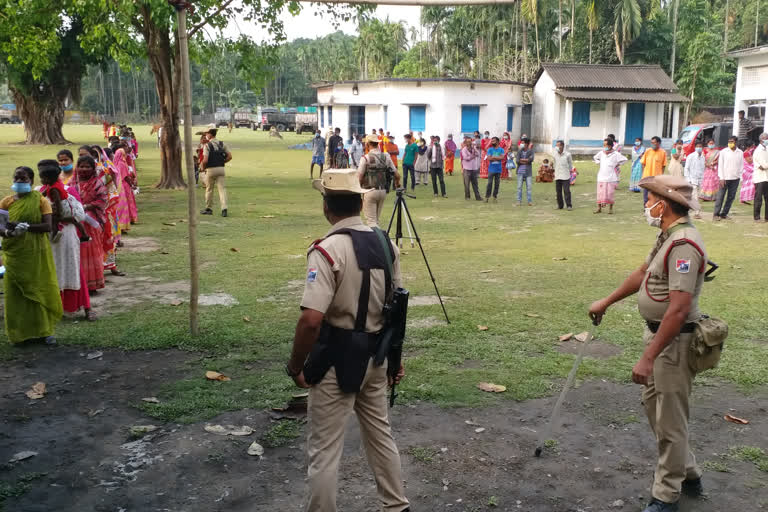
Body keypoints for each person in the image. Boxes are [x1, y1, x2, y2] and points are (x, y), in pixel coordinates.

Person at [289, 169, 409, 512]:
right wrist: (394, 361)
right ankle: (396, 506)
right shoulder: (387, 245)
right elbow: (397, 308)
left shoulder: (327, 251)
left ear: (327, 207)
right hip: (375, 357)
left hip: (335, 360)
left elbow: (311, 319)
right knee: (380, 437)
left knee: (325, 451)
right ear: (360, 202)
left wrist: (296, 366)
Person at [589, 175, 708, 512]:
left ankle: (666, 495)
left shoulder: (684, 244)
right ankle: (689, 472)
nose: (646, 205)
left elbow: (680, 308)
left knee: (669, 418)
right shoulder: (667, 237)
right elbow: (643, 273)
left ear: (664, 204)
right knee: (656, 412)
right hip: (659, 338)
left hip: (674, 343)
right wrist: (607, 301)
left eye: (650, 198)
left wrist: (647, 357)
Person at [0, 166, 63, 345]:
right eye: (17, 178)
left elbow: (47, 227)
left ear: (31, 181)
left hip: (36, 253)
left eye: (24, 179)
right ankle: (19, 334)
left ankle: (45, 331)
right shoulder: (6, 202)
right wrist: (10, 233)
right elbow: (1, 227)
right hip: (14, 254)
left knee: (39, 288)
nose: (20, 182)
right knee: (16, 293)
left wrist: (25, 226)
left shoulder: (40, 201)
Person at [38, 161, 95, 322]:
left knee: (73, 268)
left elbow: (77, 214)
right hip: (49, 235)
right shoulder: (39, 191)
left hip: (66, 234)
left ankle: (86, 306)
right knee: (51, 270)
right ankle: (52, 306)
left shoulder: (66, 190)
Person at [76, 156, 108, 293]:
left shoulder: (97, 183)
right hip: (75, 222)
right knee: (78, 253)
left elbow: (102, 200)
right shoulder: (73, 182)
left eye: (87, 166)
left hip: (91, 222)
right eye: (81, 166)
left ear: (93, 168)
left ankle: (93, 285)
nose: (83, 169)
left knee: (91, 252)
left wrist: (86, 207)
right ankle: (79, 283)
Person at [358, 136, 400, 228]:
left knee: (371, 222)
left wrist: (359, 192)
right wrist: (397, 184)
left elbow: (360, 178)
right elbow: (397, 175)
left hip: (369, 191)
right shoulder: (386, 156)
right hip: (382, 191)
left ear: (368, 144)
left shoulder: (365, 158)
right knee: (376, 220)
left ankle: (377, 241)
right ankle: (378, 239)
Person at [200, 125, 232, 218]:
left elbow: (205, 160)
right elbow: (230, 156)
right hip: (221, 169)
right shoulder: (222, 144)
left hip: (211, 170)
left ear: (210, 134)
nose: (206, 135)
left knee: (209, 189)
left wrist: (202, 167)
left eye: (206, 133)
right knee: (222, 189)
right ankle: (224, 209)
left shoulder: (207, 145)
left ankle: (209, 209)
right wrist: (222, 162)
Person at [593, 138, 628, 214]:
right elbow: (595, 158)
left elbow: (625, 159)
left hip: (611, 177)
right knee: (600, 193)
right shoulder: (601, 153)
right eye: (604, 145)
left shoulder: (616, 154)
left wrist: (617, 164)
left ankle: (610, 209)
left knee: (610, 193)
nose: (604, 146)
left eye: (606, 145)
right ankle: (599, 208)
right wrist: (599, 162)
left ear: (610, 145)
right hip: (601, 176)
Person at [713, 136, 743, 221]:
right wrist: (721, 178)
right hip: (725, 178)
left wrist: (740, 177)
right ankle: (716, 214)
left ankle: (724, 214)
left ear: (736, 142)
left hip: (735, 178)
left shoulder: (740, 152)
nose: (730, 143)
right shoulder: (724, 152)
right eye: (729, 141)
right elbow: (720, 165)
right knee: (720, 196)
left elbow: (741, 165)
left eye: (732, 141)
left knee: (731, 197)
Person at [641, 136, 668, 204]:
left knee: (655, 195)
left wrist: (661, 176)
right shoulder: (648, 151)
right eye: (651, 142)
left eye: (654, 142)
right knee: (646, 195)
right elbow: (643, 163)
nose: (652, 144)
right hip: (647, 177)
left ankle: (654, 209)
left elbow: (663, 166)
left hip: (656, 178)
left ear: (658, 143)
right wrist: (644, 174)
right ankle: (646, 208)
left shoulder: (663, 152)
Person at [684, 141, 706, 219]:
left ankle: (688, 209)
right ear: (695, 147)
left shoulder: (703, 157)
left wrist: (703, 178)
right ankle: (697, 213)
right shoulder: (691, 156)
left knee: (697, 196)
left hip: (700, 179)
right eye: (698, 146)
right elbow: (686, 168)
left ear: (703, 148)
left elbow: (703, 169)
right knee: (695, 196)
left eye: (700, 146)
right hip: (692, 179)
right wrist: (688, 179)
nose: (699, 148)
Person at [553, 140, 573, 210]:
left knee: (566, 191)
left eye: (558, 145)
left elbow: (570, 164)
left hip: (565, 175)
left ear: (562, 146)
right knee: (558, 192)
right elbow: (554, 164)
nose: (557, 147)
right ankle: (560, 205)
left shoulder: (567, 154)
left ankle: (569, 205)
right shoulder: (555, 154)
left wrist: (570, 172)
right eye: (556, 145)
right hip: (558, 175)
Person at [460, 135, 482, 201]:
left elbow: (478, 154)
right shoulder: (464, 150)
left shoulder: (473, 148)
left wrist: (474, 149)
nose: (469, 143)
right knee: (466, 184)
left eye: (470, 141)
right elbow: (465, 158)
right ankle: (467, 197)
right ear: (465, 143)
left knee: (475, 184)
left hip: (474, 168)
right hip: (466, 169)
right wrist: (472, 156)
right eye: (468, 142)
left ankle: (478, 197)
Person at [485, 137, 505, 202]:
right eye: (492, 141)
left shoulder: (501, 150)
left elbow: (502, 157)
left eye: (494, 141)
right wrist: (497, 157)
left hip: (498, 170)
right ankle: (487, 197)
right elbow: (489, 158)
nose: (492, 142)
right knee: (489, 183)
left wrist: (493, 157)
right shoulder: (490, 149)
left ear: (498, 142)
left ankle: (494, 197)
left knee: (497, 184)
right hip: (491, 169)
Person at [516, 138, 535, 206]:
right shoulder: (519, 151)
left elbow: (531, 159)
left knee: (529, 187)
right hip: (520, 171)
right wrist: (526, 160)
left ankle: (529, 201)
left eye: (523, 143)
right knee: (519, 187)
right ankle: (518, 201)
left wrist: (522, 160)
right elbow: (517, 160)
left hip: (528, 172)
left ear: (527, 144)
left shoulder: (531, 151)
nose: (521, 144)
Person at [754, 133, 768, 222]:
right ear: (761, 140)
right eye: (766, 138)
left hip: (766, 177)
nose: (767, 140)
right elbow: (763, 165)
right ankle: (757, 217)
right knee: (758, 198)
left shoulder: (766, 149)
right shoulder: (758, 150)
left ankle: (767, 217)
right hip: (760, 178)